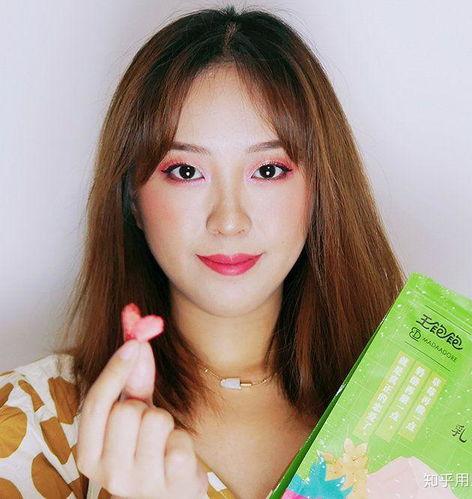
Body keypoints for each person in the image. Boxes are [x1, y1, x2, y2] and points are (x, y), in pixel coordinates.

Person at [0, 4, 406, 498]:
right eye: (186, 171)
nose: (229, 221)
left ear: (321, 190)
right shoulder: (32, 423)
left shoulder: (425, 413)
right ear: (132, 197)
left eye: (269, 170)